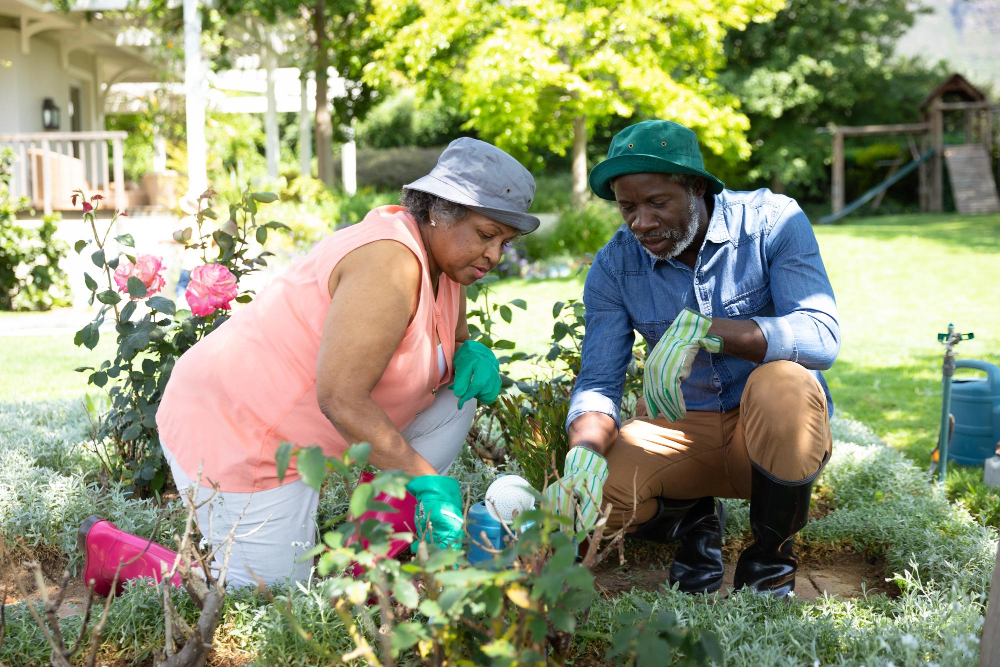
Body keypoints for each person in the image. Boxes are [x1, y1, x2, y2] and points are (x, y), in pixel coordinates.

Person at [79, 138, 540, 592]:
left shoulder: (448, 267)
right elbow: (341, 398)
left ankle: (365, 561)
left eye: (505, 242)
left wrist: (468, 352)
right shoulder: (389, 265)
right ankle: (112, 553)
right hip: (238, 427)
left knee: (455, 398)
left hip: (302, 432)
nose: (495, 256)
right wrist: (424, 481)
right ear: (440, 211)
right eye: (486, 235)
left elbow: (450, 341)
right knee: (266, 597)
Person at [546, 120, 839, 598]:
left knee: (784, 382)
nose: (641, 222)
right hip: (679, 430)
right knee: (586, 505)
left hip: (767, 432)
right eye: (627, 207)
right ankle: (693, 521)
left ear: (697, 187)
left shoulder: (771, 222)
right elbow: (599, 380)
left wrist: (708, 331)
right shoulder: (615, 265)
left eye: (657, 202)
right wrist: (584, 452)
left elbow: (821, 336)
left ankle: (769, 563)